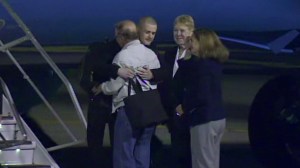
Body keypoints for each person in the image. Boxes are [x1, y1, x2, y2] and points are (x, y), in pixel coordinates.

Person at [99, 20, 160, 168]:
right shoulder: (151, 54)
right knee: (143, 149)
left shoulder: (122, 56)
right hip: (150, 108)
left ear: (122, 37)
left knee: (124, 152)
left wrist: (102, 87)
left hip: (129, 109)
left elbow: (115, 86)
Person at [178, 28, 229, 168]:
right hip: (218, 117)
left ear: (202, 43)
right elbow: (188, 69)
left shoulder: (202, 67)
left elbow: (201, 95)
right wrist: (186, 56)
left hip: (204, 119)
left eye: (192, 41)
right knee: (211, 160)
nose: (189, 44)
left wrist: (184, 108)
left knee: (202, 162)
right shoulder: (213, 63)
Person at [80, 37, 133, 167]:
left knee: (96, 140)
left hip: (102, 101)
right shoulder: (121, 55)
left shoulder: (95, 53)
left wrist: (95, 87)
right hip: (109, 102)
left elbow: (84, 79)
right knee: (114, 142)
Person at [159, 14, 195, 168]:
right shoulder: (169, 54)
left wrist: (184, 107)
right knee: (177, 150)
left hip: (189, 111)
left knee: (189, 152)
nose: (178, 34)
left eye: (182, 31)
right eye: (175, 31)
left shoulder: (195, 54)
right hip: (173, 111)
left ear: (191, 32)